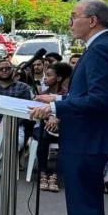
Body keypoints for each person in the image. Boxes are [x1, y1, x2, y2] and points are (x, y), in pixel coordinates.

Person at [30, 0, 108, 215]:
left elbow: (99, 99)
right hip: (87, 138)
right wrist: (59, 99)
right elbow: (90, 94)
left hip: (88, 140)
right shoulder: (101, 47)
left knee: (84, 205)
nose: (70, 22)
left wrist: (56, 109)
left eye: (74, 16)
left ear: (93, 20)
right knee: (84, 204)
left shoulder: (103, 49)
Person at [31, 62, 72, 192]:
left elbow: (70, 111)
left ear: (59, 78)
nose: (45, 78)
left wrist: (57, 118)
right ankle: (43, 173)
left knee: (65, 141)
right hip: (43, 127)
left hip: (62, 128)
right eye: (45, 75)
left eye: (49, 75)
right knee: (44, 135)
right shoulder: (43, 94)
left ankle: (55, 175)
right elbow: (37, 112)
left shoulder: (67, 95)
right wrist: (49, 118)